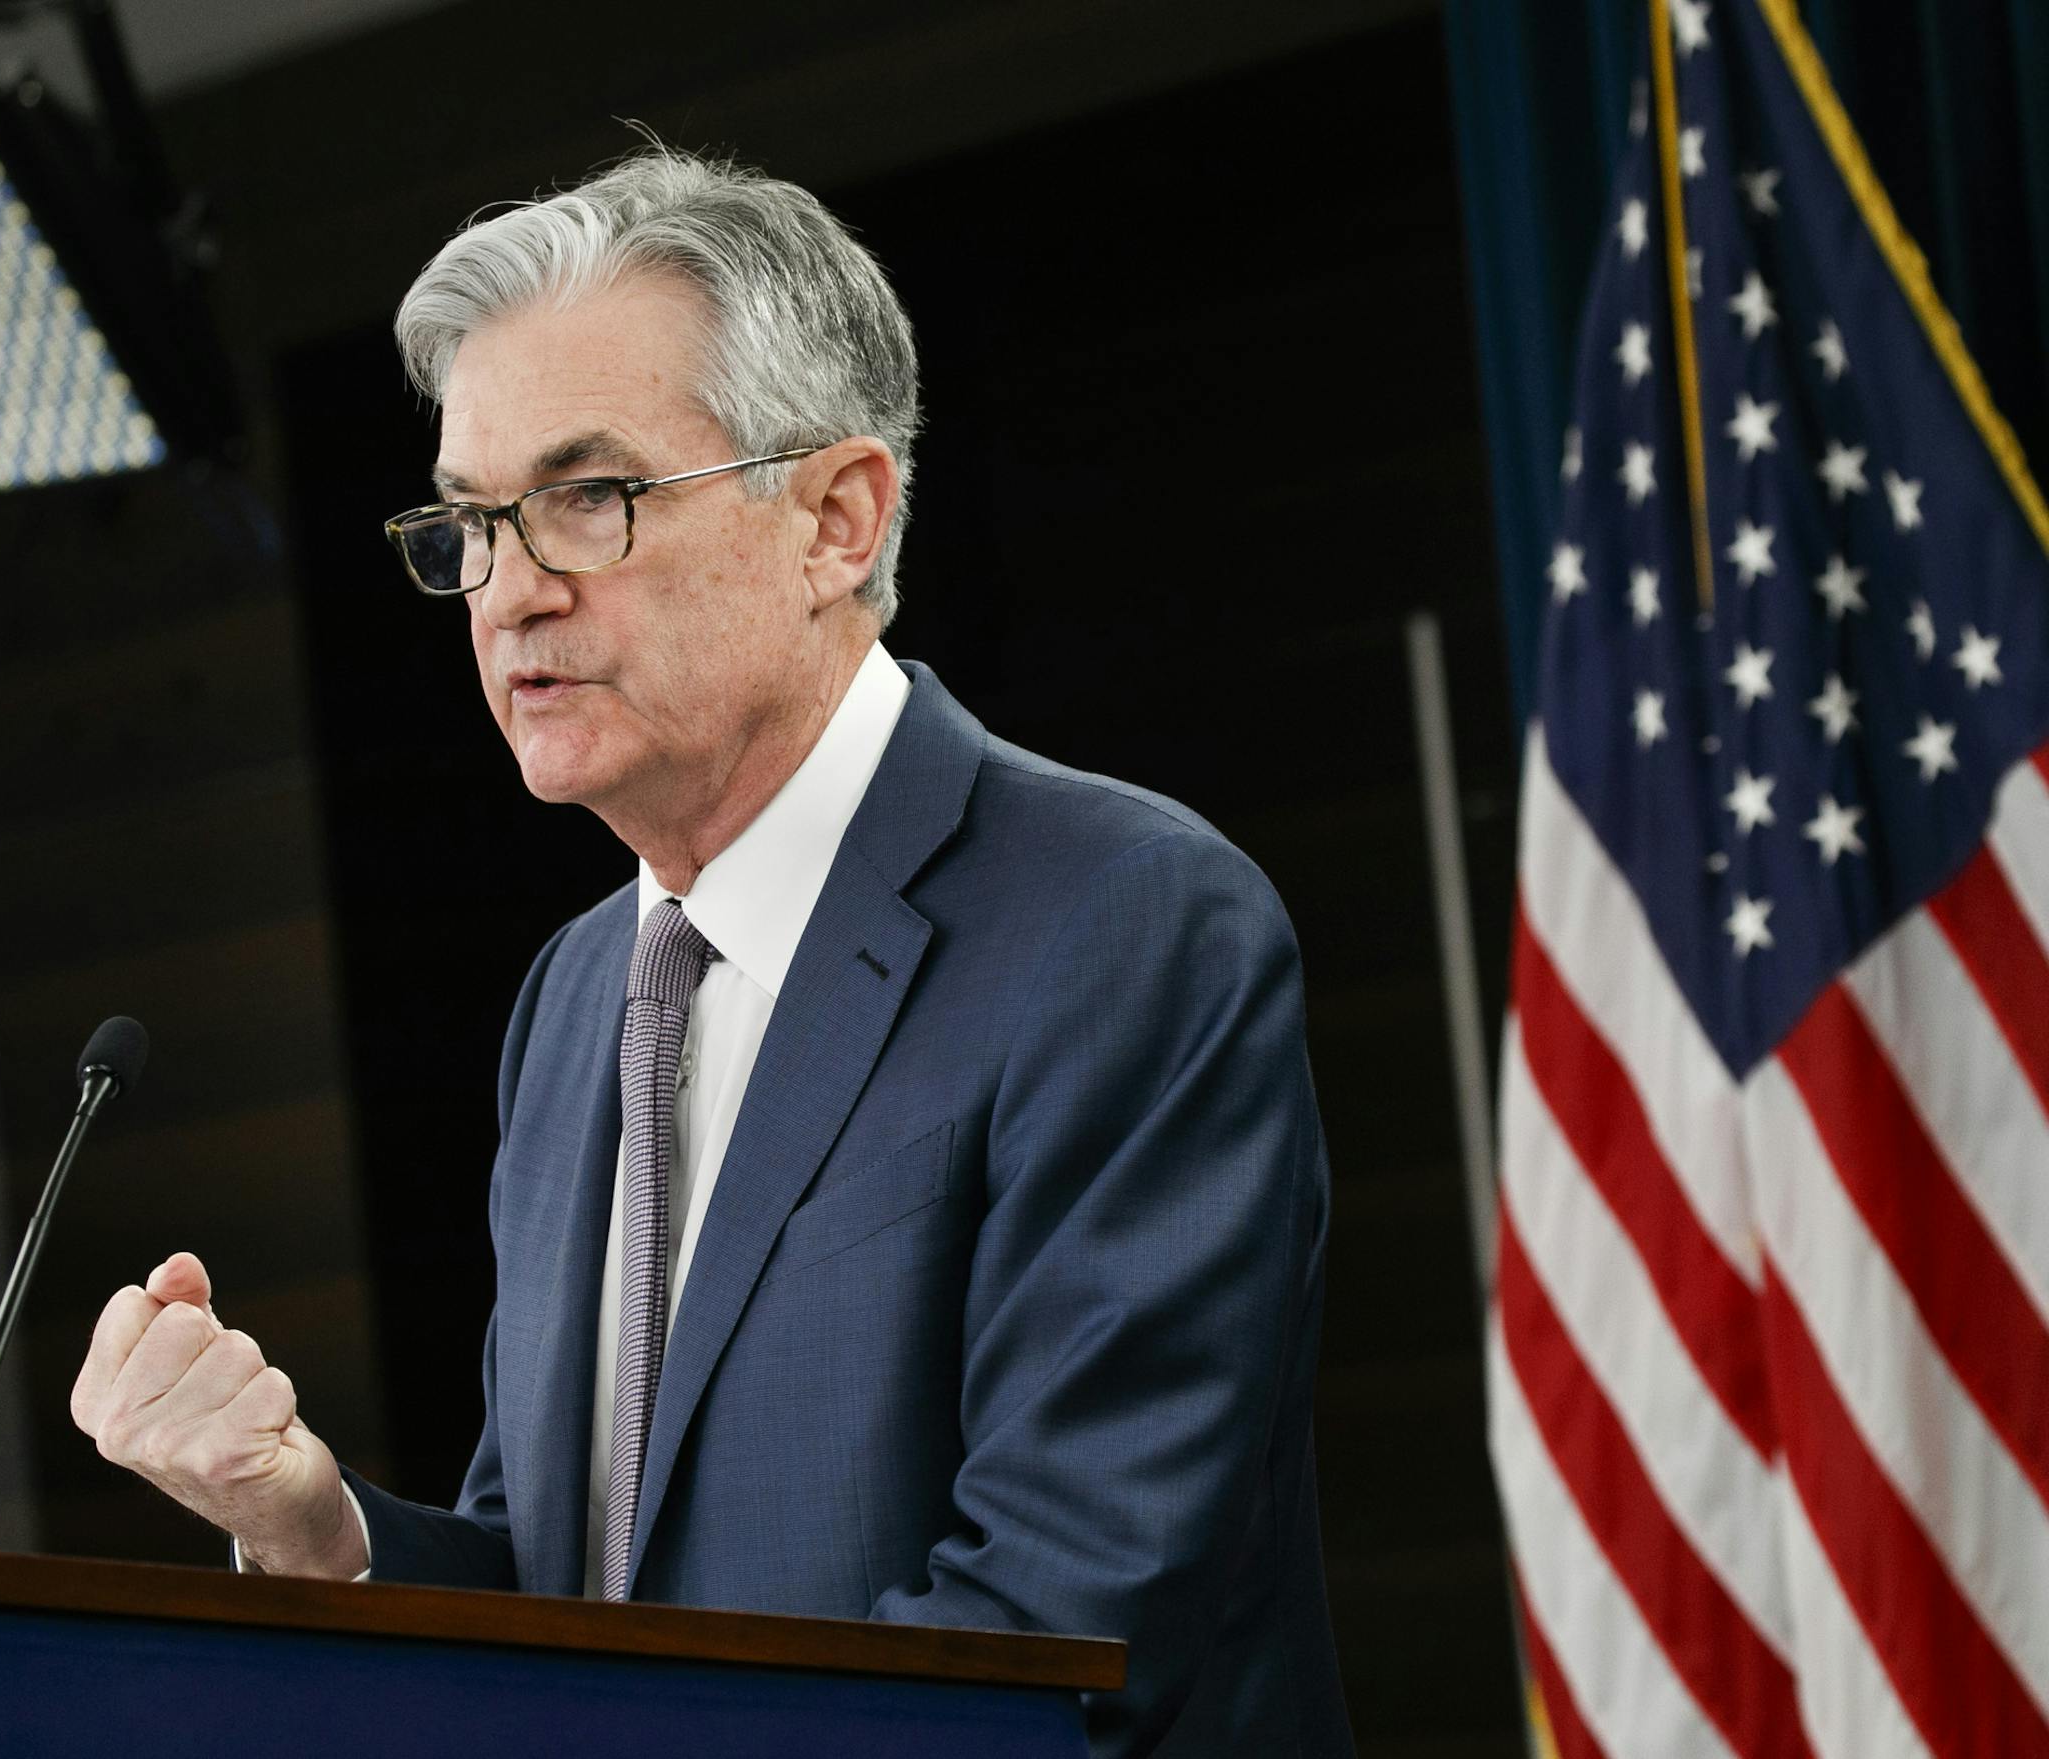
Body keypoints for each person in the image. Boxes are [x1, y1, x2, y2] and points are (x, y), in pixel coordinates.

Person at [69, 146, 1354, 1757]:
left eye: (586, 500)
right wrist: (318, 1528)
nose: (508, 595)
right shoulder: (571, 1000)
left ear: (835, 517)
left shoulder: (1128, 923)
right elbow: (566, 1599)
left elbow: (1054, 1646)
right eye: (471, 521)